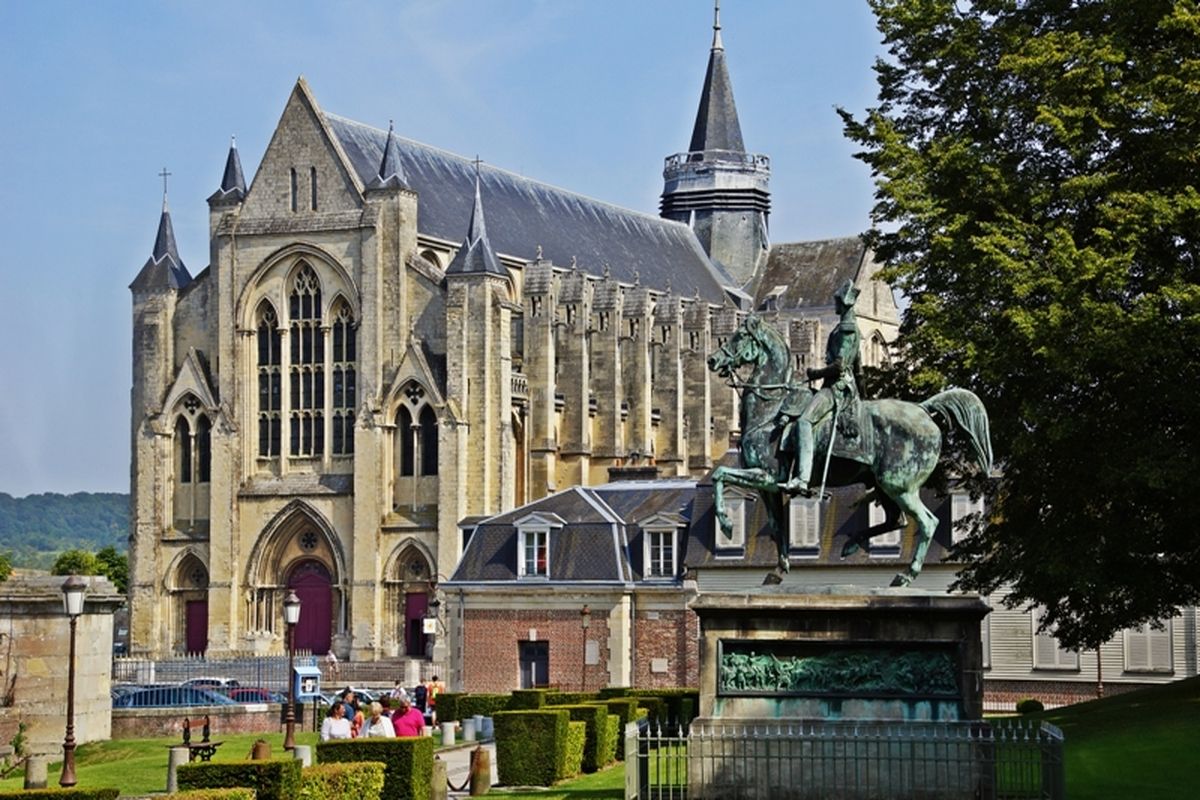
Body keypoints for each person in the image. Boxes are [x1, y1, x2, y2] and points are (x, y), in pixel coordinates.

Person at [782, 278, 863, 496]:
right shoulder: (847, 327)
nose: (835, 304)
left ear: (844, 303)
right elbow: (860, 369)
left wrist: (814, 373)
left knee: (804, 421)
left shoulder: (847, 329)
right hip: (840, 386)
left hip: (836, 388)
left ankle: (802, 478)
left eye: (837, 300)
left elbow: (840, 366)